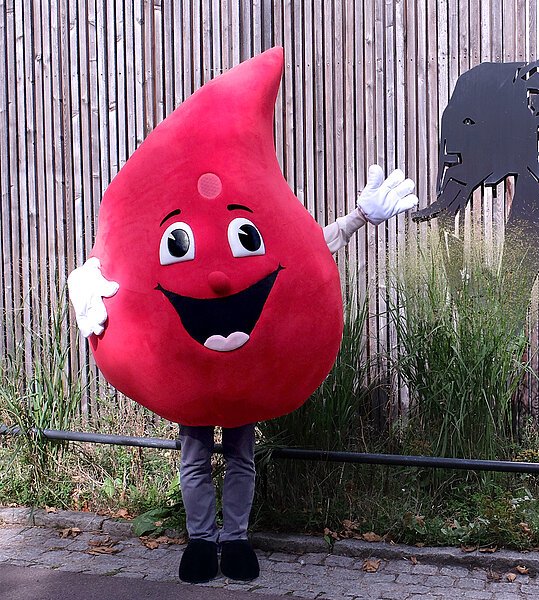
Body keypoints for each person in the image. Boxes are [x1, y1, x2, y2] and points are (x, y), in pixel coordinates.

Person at [67, 48, 417, 583]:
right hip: (192, 372)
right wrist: (86, 280)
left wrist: (356, 220)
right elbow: (132, 262)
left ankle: (234, 539)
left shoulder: (257, 224)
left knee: (239, 453)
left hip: (245, 369)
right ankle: (201, 541)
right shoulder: (181, 216)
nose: (219, 275)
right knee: (193, 453)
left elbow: (301, 256)